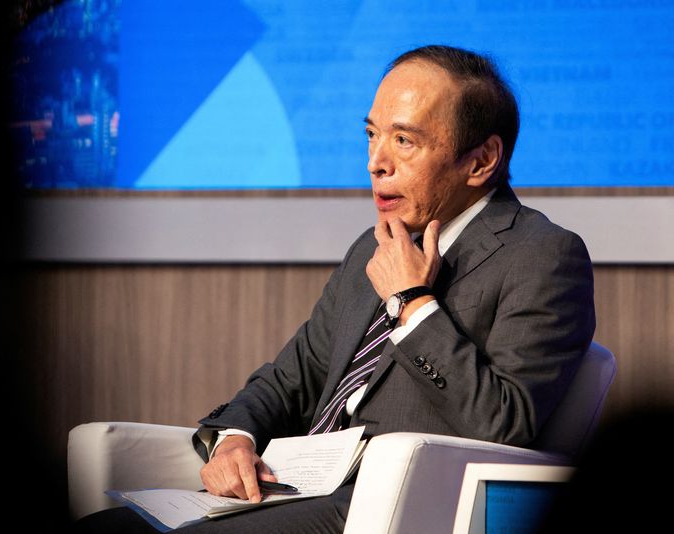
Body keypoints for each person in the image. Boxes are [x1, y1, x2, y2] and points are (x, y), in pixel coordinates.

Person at [74, 44, 595, 533]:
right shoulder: (372, 251)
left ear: (480, 161)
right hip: (289, 489)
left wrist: (414, 303)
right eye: (372, 134)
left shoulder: (543, 255)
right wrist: (235, 440)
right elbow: (290, 379)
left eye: (404, 140)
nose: (376, 161)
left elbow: (504, 423)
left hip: (382, 507)